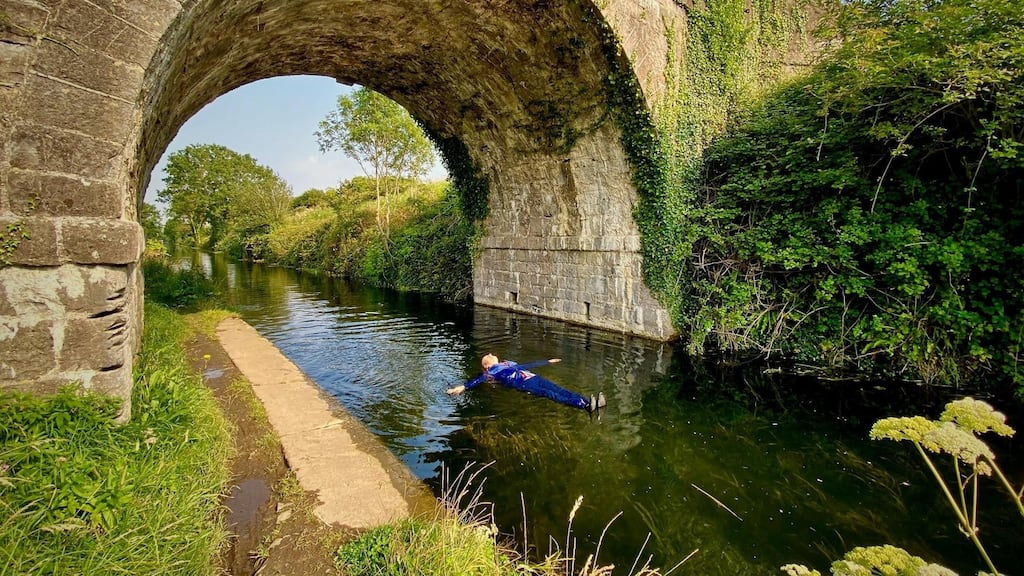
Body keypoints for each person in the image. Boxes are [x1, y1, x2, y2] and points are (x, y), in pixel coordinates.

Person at [447, 353, 606, 413]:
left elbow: (524, 366)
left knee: (557, 388)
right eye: (488, 356)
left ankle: (588, 401)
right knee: (551, 394)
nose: (491, 353)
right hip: (525, 384)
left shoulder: (505, 363)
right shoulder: (491, 371)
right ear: (487, 365)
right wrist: (463, 387)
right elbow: (478, 380)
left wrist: (547, 361)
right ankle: (584, 406)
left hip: (532, 377)